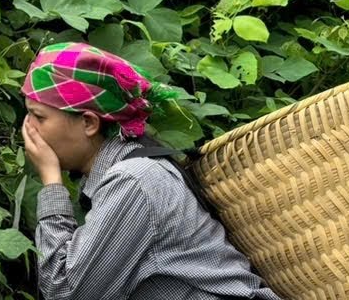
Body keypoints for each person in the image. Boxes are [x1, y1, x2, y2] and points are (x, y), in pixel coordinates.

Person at [20, 42, 282, 300]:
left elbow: (65, 291)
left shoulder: (134, 180)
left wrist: (52, 183)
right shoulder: (127, 172)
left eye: (39, 117)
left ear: (89, 122)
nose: (28, 127)